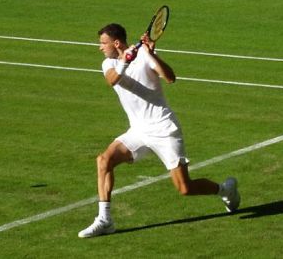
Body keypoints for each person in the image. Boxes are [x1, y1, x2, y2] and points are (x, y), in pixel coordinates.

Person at [79, 23, 239, 238]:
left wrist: (152, 55)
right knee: (104, 160)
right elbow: (112, 80)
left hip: (164, 129)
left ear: (116, 43)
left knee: (185, 188)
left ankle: (225, 190)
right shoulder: (108, 63)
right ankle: (105, 219)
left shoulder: (144, 56)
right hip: (138, 131)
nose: (100, 47)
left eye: (103, 43)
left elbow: (171, 78)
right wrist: (126, 61)